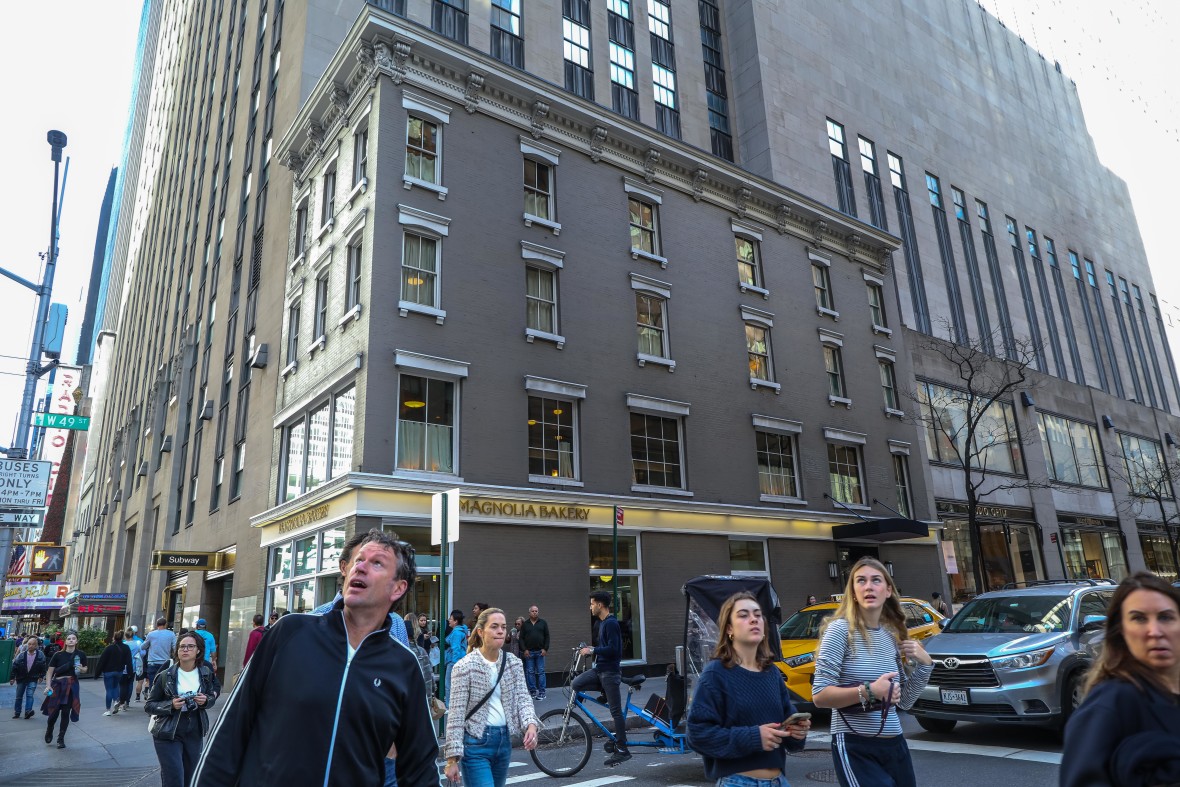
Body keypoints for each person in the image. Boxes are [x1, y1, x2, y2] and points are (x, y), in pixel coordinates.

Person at [192, 529, 438, 786]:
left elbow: (421, 770)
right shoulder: (289, 632)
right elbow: (230, 731)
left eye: (377, 563)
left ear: (398, 588)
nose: (361, 567)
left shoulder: (404, 666)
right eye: (358, 560)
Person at [812, 557, 933, 787]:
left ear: (888, 590)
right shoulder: (839, 631)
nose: (868, 586)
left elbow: (904, 702)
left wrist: (925, 664)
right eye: (861, 581)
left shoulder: (890, 634)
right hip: (855, 745)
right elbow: (819, 696)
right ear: (853, 592)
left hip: (895, 744)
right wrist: (870, 691)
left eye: (876, 580)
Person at [1060, 572, 1180, 787]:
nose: (1155, 631)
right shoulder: (1110, 702)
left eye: (1165, 617)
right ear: (1121, 632)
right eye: (1139, 618)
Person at [688, 591, 812, 786]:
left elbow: (789, 734)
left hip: (779, 780)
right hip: (737, 781)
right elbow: (697, 735)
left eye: (757, 614)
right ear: (729, 628)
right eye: (743, 615)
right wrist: (754, 737)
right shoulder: (715, 674)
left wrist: (797, 732)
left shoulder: (771, 672)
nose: (753, 619)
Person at [444, 608, 539, 787]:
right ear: (480, 632)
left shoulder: (514, 663)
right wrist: (452, 759)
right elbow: (456, 715)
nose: (501, 631)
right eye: (494, 627)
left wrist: (531, 725)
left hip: (504, 743)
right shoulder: (464, 666)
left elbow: (523, 698)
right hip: (475, 744)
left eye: (503, 627)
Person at [145, 631, 221, 787]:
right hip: (168, 731)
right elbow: (149, 705)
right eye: (182, 647)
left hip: (195, 729)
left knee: (191, 777)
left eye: (190, 646)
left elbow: (214, 692)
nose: (185, 650)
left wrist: (206, 700)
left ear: (198, 650)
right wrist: (170, 705)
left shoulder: (205, 672)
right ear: (177, 650)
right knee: (174, 778)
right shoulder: (166, 674)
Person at [574, 591, 631, 767]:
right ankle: (603, 691)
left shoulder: (611, 623)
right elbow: (605, 646)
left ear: (600, 605)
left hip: (610, 673)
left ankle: (622, 749)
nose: (590, 607)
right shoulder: (602, 623)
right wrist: (592, 648)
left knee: (616, 712)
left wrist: (593, 651)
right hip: (600, 670)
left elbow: (615, 650)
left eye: (592, 604)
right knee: (576, 683)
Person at [41, 630, 89, 748]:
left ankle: (60, 739)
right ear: (65, 642)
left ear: (76, 641)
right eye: (69, 638)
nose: (71, 640)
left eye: (73, 638)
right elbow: (50, 671)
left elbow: (85, 669)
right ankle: (50, 728)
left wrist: (81, 669)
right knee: (53, 712)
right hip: (57, 685)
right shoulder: (58, 655)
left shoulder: (81, 654)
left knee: (66, 712)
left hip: (71, 685)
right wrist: (48, 685)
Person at [95, 631, 133, 716]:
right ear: (122, 638)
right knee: (115, 686)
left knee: (109, 689)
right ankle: (116, 700)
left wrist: (97, 673)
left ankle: (108, 710)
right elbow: (129, 662)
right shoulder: (126, 647)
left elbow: (102, 661)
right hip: (119, 671)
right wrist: (130, 673)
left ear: (113, 638)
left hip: (108, 671)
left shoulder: (109, 648)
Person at [11, 635, 47, 719]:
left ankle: (28, 711)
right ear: (27, 644)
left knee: (30, 695)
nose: (30, 646)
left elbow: (43, 666)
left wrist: (41, 676)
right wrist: (12, 677)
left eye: (33, 644)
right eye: (29, 644)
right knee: (19, 696)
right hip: (21, 678)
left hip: (33, 678)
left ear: (36, 645)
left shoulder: (40, 655)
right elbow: (15, 666)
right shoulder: (22, 655)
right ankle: (17, 712)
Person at [520, 604, 550, 700]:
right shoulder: (525, 625)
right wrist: (524, 649)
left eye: (536, 611)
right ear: (529, 613)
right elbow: (521, 638)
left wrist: (545, 649)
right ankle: (532, 692)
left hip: (540, 652)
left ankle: (542, 692)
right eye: (533, 611)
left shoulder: (543, 623)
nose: (535, 612)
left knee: (541, 672)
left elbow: (547, 636)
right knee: (530, 672)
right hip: (529, 653)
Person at [143, 618, 177, 691]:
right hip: (165, 663)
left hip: (152, 662)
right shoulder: (171, 634)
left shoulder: (151, 634)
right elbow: (175, 647)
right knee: (164, 682)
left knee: (152, 683)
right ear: (165, 625)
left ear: (157, 625)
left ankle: (152, 698)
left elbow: (143, 647)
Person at [446, 610, 470, 701]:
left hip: (454, 661)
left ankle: (449, 706)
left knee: (449, 685)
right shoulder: (462, 630)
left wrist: (454, 663)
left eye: (451, 619)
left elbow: (455, 648)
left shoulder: (456, 633)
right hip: (460, 659)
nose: (449, 620)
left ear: (455, 621)